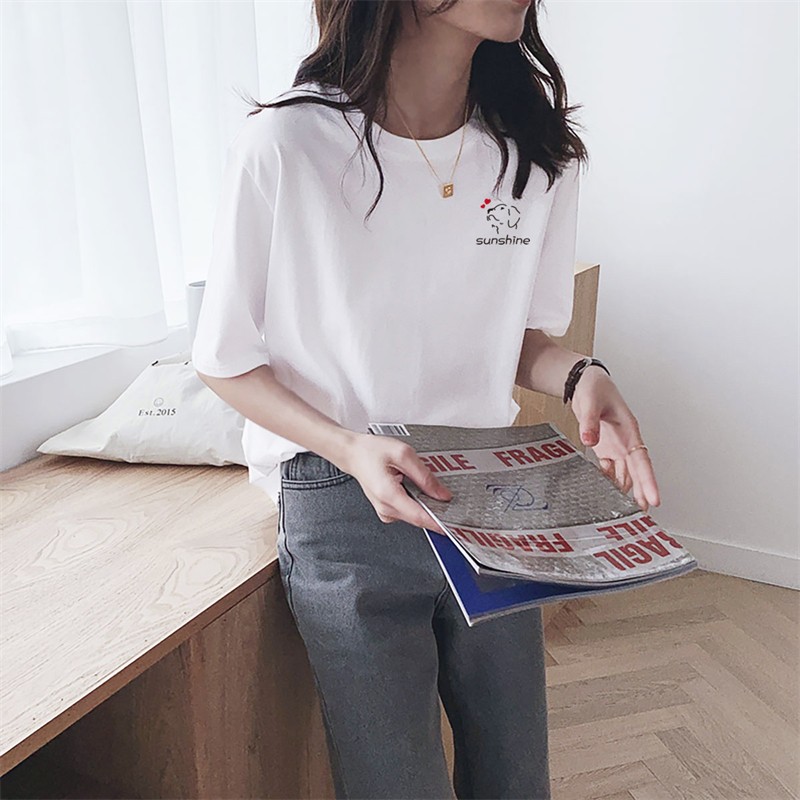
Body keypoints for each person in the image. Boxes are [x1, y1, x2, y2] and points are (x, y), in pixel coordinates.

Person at [191, 1, 661, 797]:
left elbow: (516, 338)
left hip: (494, 492)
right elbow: (225, 361)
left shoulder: (535, 151)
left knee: (516, 777)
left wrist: (583, 376)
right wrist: (349, 447)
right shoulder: (287, 146)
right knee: (397, 784)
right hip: (345, 498)